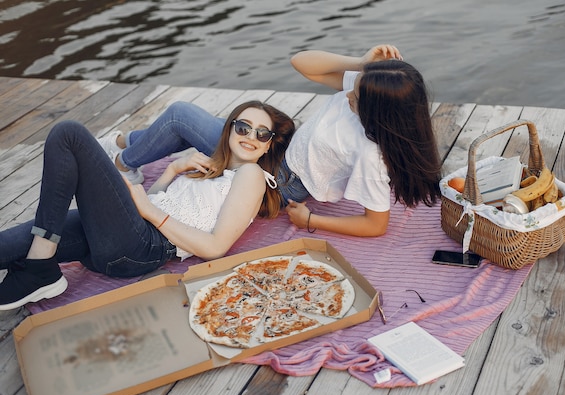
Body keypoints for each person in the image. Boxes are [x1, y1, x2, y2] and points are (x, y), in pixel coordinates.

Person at [93, 44, 441, 237]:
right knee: (187, 121)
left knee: (181, 115)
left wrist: (311, 221)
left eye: (357, 94)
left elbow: (376, 224)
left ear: (379, 112)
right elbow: (301, 61)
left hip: (280, 183)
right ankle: (129, 143)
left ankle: (125, 160)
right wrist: (360, 62)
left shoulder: (370, 153)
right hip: (280, 149)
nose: (349, 92)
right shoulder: (365, 94)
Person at [0, 101, 295, 310]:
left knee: (69, 135)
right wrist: (172, 170)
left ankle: (40, 268)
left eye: (262, 133)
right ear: (229, 130)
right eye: (243, 127)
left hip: (141, 248)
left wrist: (150, 211)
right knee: (12, 244)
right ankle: (40, 265)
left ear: (269, 145)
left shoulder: (253, 175)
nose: (251, 137)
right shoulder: (212, 168)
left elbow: (216, 246)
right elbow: (152, 203)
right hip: (120, 236)